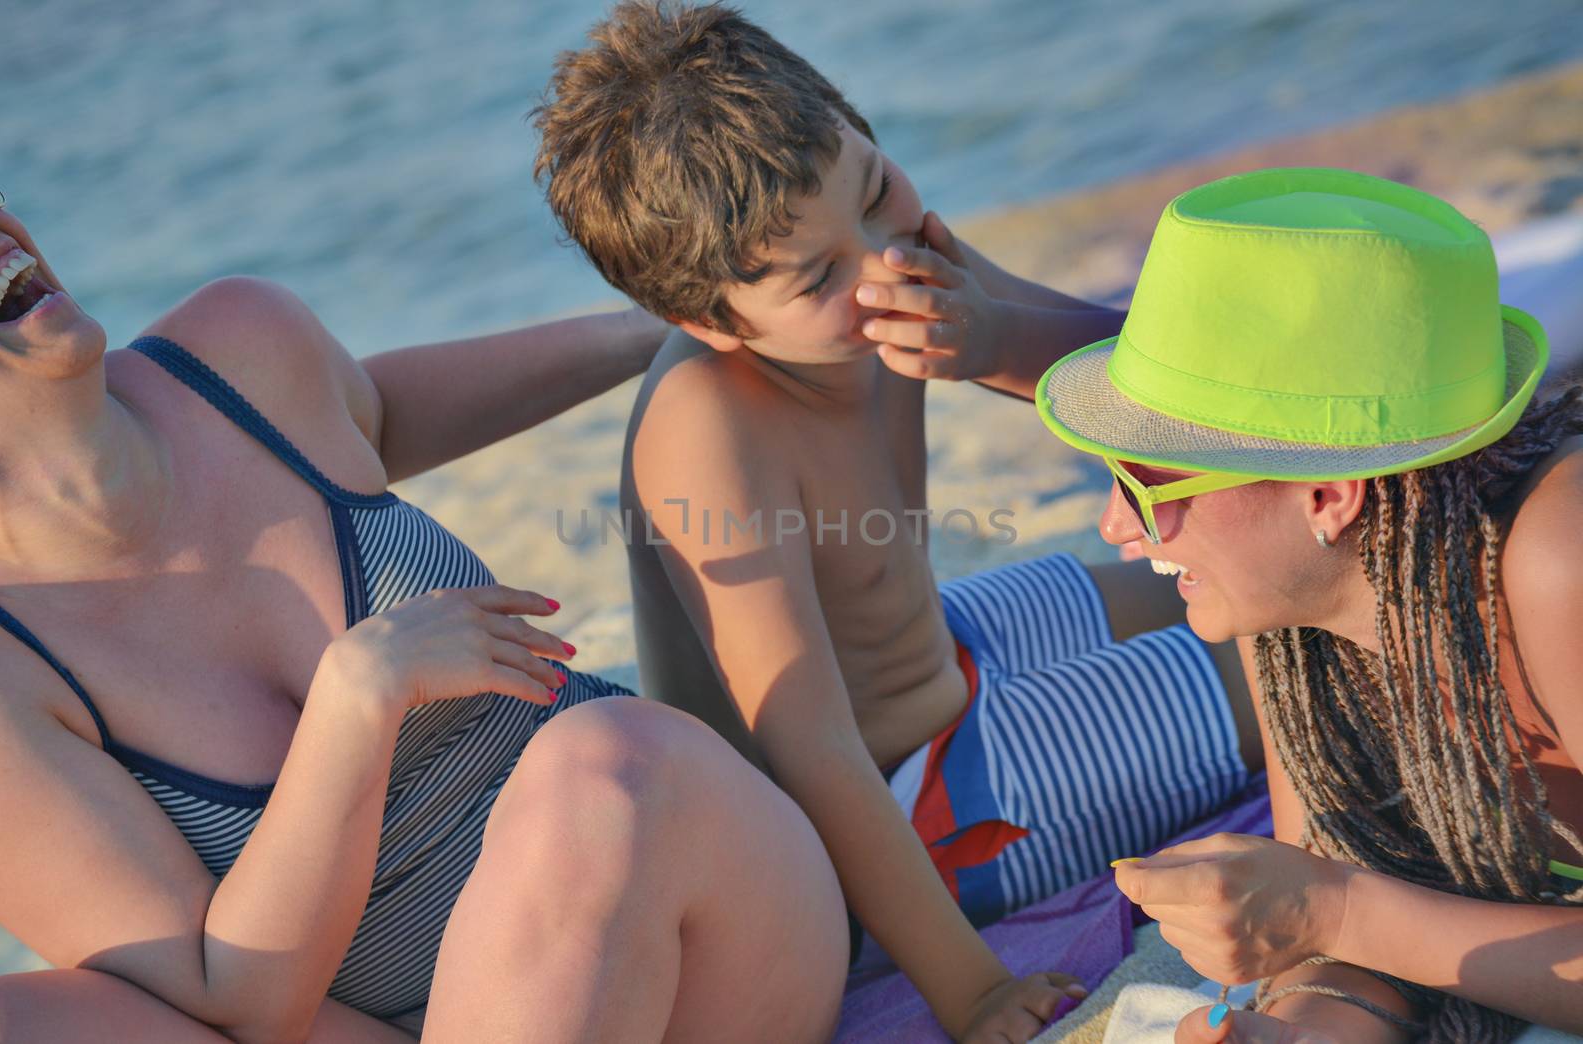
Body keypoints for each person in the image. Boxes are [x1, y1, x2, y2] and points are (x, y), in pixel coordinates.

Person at [534, 5, 1265, 1040]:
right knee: (1278, 666)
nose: (881, 265)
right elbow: (813, 747)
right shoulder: (708, 430)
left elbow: (1135, 384)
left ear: (860, 132)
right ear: (712, 321)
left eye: (876, 192)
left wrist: (995, 334)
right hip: (893, 802)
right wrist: (969, 991)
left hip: (947, 650)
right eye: (821, 276)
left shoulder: (902, 253)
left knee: (1241, 586)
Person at [0, 173, 849, 1043]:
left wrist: (659, 332)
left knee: (602, 764)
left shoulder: (230, 350)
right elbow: (231, 1003)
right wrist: (358, 700)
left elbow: (381, 413)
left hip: (694, 925)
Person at [1035, 167, 1583, 1042]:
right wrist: (1298, 1029)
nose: (1115, 526)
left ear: (1327, 494)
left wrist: (1332, 915)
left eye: (1145, 478)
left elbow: (1343, 910)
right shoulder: (1294, 617)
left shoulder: (1559, 559)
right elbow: (1350, 911)